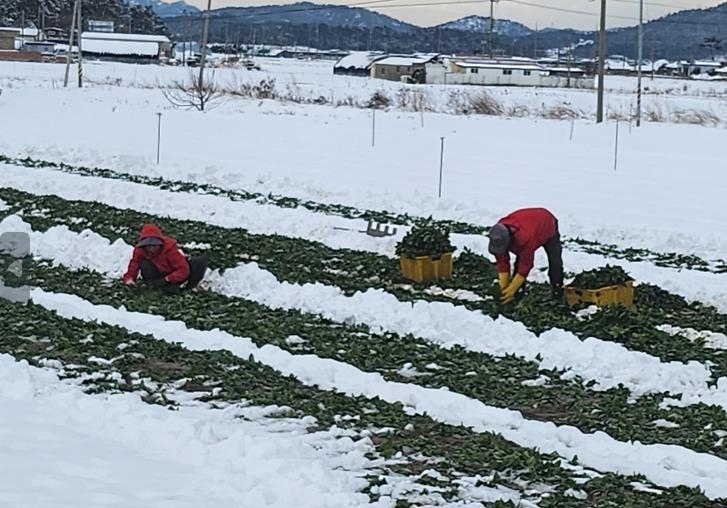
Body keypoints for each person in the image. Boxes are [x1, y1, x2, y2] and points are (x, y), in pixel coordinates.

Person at [487, 207, 564, 304]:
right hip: (530, 225)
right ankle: (517, 296)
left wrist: (512, 288)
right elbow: (502, 261)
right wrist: (503, 286)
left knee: (555, 262)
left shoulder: (525, 238)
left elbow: (525, 265)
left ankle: (557, 292)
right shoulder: (498, 233)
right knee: (518, 263)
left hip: (548, 224)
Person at [122, 224, 208, 294]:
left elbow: (183, 270)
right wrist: (129, 279)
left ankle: (189, 288)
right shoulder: (140, 250)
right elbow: (134, 264)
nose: (152, 249)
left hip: (173, 275)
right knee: (145, 264)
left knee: (199, 262)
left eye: (155, 245)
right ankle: (153, 285)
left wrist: (168, 279)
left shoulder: (170, 249)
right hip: (157, 275)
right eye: (149, 246)